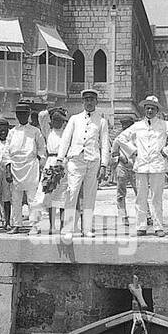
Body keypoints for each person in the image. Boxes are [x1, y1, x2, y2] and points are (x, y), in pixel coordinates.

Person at [114, 96, 168, 237]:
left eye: (153, 108)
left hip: (157, 165)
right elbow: (121, 138)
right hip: (141, 165)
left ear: (157, 110)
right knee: (141, 197)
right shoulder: (138, 125)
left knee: (156, 197)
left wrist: (166, 151)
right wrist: (133, 151)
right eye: (147, 108)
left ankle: (158, 227)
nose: (150, 110)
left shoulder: (164, 125)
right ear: (144, 109)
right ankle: (141, 226)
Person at [58, 88, 110, 238]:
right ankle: (68, 229)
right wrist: (60, 159)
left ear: (96, 102)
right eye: (86, 100)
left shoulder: (101, 121)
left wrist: (104, 165)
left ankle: (86, 228)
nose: (89, 102)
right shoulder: (75, 119)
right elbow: (66, 139)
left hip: (93, 160)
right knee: (72, 192)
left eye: (92, 100)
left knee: (90, 195)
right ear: (83, 102)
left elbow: (105, 143)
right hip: (76, 160)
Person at [5, 100, 46, 234]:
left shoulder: (35, 131)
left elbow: (42, 149)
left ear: (28, 115)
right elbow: (6, 152)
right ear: (16, 115)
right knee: (15, 198)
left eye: (24, 114)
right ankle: (17, 224)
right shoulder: (12, 132)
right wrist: (8, 169)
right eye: (19, 114)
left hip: (30, 166)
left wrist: (39, 164)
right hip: (15, 167)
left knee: (32, 198)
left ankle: (35, 225)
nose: (21, 116)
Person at [36, 106, 69, 234]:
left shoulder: (66, 133)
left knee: (62, 195)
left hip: (63, 163)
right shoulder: (48, 131)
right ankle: (51, 225)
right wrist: (53, 109)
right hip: (50, 163)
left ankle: (62, 225)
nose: (57, 122)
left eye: (59, 120)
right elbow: (41, 116)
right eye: (55, 119)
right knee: (49, 194)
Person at [110, 112, 137, 228]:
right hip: (122, 166)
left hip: (136, 167)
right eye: (124, 125)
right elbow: (113, 153)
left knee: (140, 192)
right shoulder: (119, 138)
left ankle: (146, 216)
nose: (126, 127)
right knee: (121, 194)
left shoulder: (137, 137)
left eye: (128, 125)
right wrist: (121, 158)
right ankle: (123, 216)